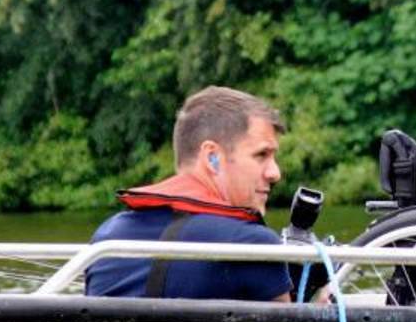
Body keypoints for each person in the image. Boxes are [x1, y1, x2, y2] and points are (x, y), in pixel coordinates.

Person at [85, 86, 293, 302]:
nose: (275, 173)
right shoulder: (251, 246)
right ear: (212, 157)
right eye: (261, 155)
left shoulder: (107, 238)